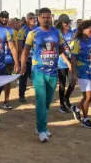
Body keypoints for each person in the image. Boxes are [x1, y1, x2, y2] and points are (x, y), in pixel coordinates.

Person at [21, 8, 65, 143]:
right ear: (39, 18)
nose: (46, 19)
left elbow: (62, 49)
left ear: (51, 18)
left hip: (53, 71)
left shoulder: (57, 33)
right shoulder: (33, 33)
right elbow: (25, 51)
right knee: (41, 100)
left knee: (47, 102)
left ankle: (41, 126)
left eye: (48, 17)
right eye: (44, 17)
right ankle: (41, 130)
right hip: (38, 71)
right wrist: (22, 66)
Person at [55, 14, 75, 114]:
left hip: (71, 61)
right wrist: (67, 62)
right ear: (61, 23)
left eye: (69, 22)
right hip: (61, 62)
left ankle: (66, 98)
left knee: (73, 81)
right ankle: (62, 104)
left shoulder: (71, 33)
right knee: (62, 84)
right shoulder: (58, 34)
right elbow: (60, 50)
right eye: (65, 22)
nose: (68, 24)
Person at [17, 12, 37, 103]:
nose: (33, 20)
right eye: (31, 18)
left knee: (37, 78)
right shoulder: (22, 30)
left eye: (34, 18)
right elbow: (20, 47)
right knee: (23, 78)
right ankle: (21, 95)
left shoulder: (38, 29)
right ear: (27, 19)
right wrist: (21, 61)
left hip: (36, 59)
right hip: (26, 59)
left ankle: (40, 95)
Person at [0, 11, 16, 110]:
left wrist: (16, 60)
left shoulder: (11, 31)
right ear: (0, 18)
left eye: (6, 17)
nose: (4, 19)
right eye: (3, 17)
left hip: (8, 59)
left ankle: (6, 101)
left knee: (7, 82)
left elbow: (14, 46)